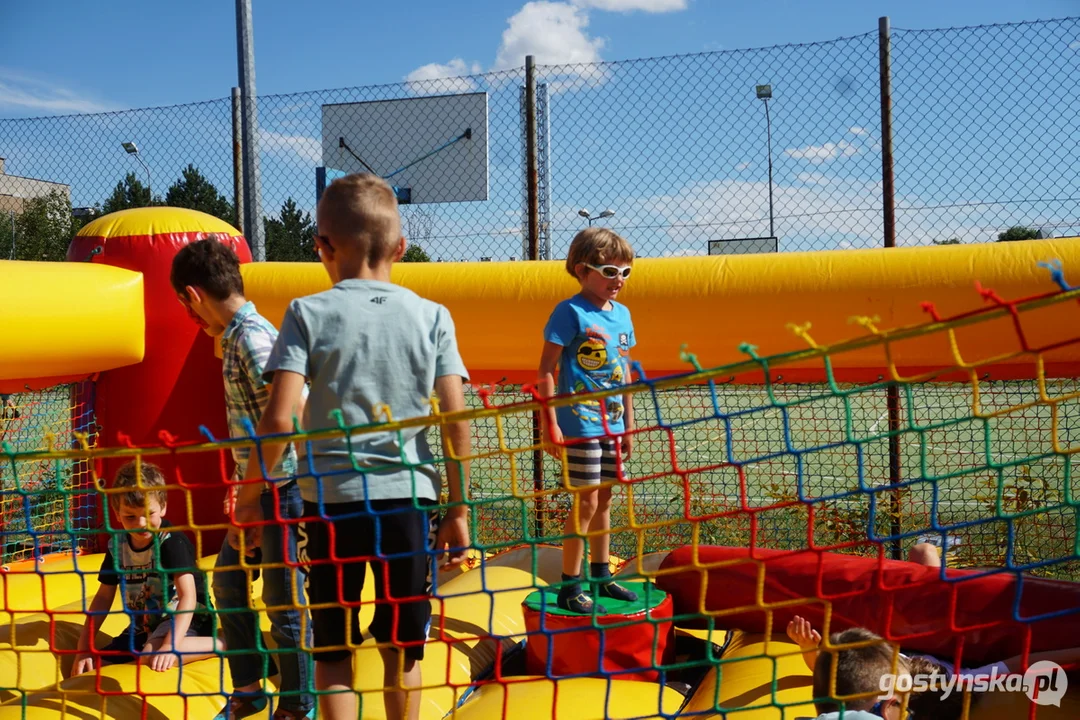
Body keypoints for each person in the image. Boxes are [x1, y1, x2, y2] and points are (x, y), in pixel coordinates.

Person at [229, 173, 472, 720]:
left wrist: (250, 497)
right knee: (403, 650)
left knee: (334, 652)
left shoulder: (306, 312)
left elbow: (279, 416)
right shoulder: (433, 316)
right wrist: (457, 509)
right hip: (410, 503)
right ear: (402, 248)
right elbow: (457, 417)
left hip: (331, 506)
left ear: (322, 246)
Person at [171, 238, 314, 720]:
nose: (191, 318)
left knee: (283, 601)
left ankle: (297, 706)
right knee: (228, 582)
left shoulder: (252, 338)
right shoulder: (235, 336)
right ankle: (250, 689)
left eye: (185, 306)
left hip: (280, 490)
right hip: (257, 487)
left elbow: (295, 410)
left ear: (193, 295)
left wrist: (254, 497)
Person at [538, 227, 639, 614]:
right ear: (582, 270)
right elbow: (546, 369)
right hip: (580, 424)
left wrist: (628, 421)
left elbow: (625, 370)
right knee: (586, 501)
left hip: (612, 425)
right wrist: (550, 421)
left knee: (606, 499)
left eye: (626, 273)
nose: (619, 281)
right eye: (610, 271)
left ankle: (601, 575)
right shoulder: (570, 312)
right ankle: (570, 584)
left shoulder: (623, 315)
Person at [73, 461, 221, 674]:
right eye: (130, 517)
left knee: (152, 656)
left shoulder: (171, 541)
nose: (141, 523)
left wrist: (170, 646)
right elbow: (103, 598)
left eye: (149, 514)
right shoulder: (117, 546)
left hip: (186, 620)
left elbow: (187, 596)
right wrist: (84, 647)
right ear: (117, 514)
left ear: (163, 507)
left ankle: (224, 645)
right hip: (143, 626)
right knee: (93, 666)